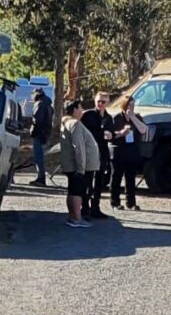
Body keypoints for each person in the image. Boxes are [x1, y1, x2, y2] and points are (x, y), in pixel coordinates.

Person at [58, 103, 101, 227]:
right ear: (75, 109)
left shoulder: (67, 123)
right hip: (80, 166)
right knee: (77, 191)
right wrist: (81, 168)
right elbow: (79, 147)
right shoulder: (75, 124)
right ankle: (77, 218)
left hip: (73, 165)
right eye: (81, 108)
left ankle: (72, 216)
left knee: (72, 190)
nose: (82, 111)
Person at [79, 92, 116, 220]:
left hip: (102, 151)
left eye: (103, 102)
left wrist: (111, 135)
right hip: (89, 152)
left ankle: (96, 207)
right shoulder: (88, 115)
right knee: (87, 180)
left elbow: (111, 133)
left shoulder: (108, 118)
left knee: (99, 181)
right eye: (98, 101)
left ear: (107, 103)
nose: (100, 104)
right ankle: (84, 207)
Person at [109, 95, 149, 209]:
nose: (132, 107)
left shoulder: (137, 117)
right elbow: (111, 135)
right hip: (119, 151)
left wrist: (133, 118)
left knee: (130, 178)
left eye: (133, 105)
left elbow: (143, 130)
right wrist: (121, 133)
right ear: (124, 105)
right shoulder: (116, 118)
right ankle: (115, 202)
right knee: (116, 177)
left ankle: (131, 202)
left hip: (132, 151)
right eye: (130, 105)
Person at [29, 83, 56, 186]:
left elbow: (37, 121)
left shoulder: (39, 104)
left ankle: (41, 178)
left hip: (39, 134)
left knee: (38, 157)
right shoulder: (48, 105)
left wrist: (32, 131)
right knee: (39, 156)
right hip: (46, 134)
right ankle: (41, 177)